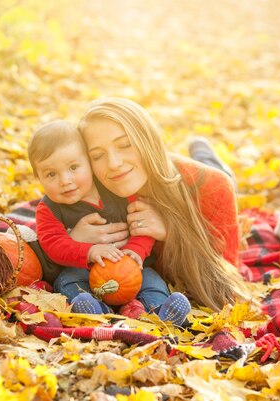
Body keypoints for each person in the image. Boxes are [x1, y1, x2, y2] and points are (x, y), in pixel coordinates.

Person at [67, 97, 249, 311]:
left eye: (125, 145)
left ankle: (204, 152)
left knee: (223, 174)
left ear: (148, 141)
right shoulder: (90, 189)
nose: (114, 164)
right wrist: (73, 241)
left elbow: (226, 290)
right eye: (97, 155)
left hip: (202, 177)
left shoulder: (214, 187)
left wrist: (172, 232)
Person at [28, 120, 191, 325]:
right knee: (67, 282)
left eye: (73, 167)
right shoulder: (48, 209)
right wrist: (89, 251)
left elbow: (142, 225)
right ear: (38, 177)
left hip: (130, 267)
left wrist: (136, 251)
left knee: (151, 281)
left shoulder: (114, 187)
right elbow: (52, 245)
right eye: (51, 174)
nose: (65, 180)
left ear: (89, 162)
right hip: (85, 272)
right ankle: (97, 312)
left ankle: (160, 314)